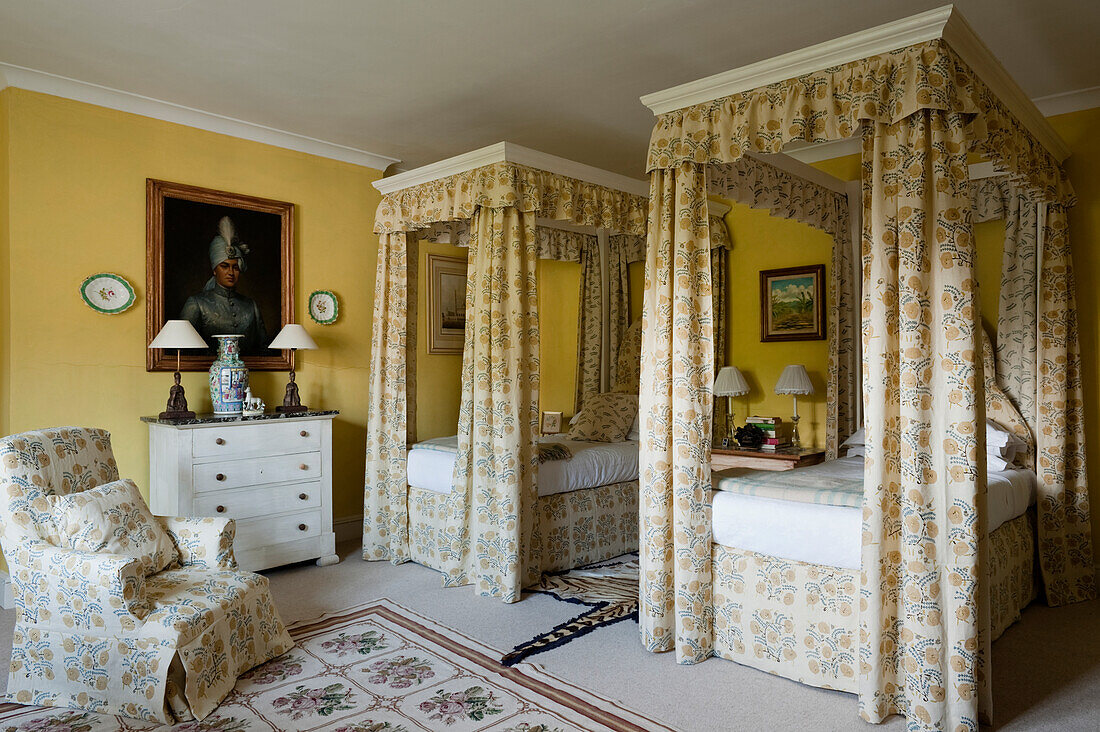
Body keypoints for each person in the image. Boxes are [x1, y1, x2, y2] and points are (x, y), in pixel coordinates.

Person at [180, 216, 267, 354]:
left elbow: (263, 350)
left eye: (235, 267)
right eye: (224, 266)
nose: (230, 272)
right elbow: (180, 351)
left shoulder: (251, 306)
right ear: (215, 270)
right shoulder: (197, 303)